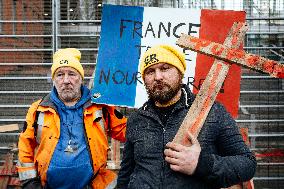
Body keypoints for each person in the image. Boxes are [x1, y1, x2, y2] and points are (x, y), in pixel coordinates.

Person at [116, 45, 256, 189]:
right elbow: (126, 175)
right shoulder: (136, 119)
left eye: (165, 68)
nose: (158, 77)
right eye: (150, 71)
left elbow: (247, 163)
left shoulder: (212, 111)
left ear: (180, 73)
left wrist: (201, 164)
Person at [17, 48, 127, 189]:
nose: (66, 80)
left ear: (81, 78)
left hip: (94, 185)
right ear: (54, 79)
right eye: (60, 74)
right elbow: (25, 147)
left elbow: (126, 131)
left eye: (72, 74)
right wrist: (30, 183)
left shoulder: (100, 107)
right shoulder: (38, 110)